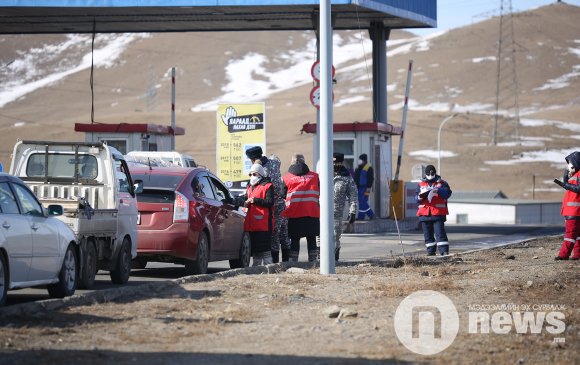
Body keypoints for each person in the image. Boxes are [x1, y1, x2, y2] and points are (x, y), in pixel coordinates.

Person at [246, 146, 289, 262]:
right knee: (284, 234)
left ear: (252, 159)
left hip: (269, 206)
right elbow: (276, 159)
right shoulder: (274, 163)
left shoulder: (258, 170)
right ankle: (287, 261)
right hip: (280, 204)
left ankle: (274, 263)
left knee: (273, 235)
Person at [234, 163, 274, 266]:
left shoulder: (268, 186)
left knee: (265, 249)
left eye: (254, 174)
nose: (252, 176)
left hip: (264, 225)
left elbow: (270, 202)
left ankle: (268, 268)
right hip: (251, 224)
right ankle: (256, 269)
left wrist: (254, 200)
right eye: (250, 174)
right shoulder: (249, 187)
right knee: (255, 250)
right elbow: (245, 199)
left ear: (260, 174)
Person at [282, 153, 320, 262]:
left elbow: (282, 194)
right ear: (304, 162)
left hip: (294, 214)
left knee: (294, 239)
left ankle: (293, 263)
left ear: (292, 162)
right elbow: (319, 191)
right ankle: (313, 263)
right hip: (312, 213)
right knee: (311, 238)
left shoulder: (287, 178)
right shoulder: (315, 176)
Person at [415, 164, 452, 256]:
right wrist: (419, 197)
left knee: (440, 233)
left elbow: (447, 193)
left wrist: (438, 190)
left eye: (432, 173)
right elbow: (416, 198)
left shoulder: (442, 183)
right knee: (427, 234)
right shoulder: (420, 184)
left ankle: (444, 251)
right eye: (429, 173)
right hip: (424, 213)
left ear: (435, 173)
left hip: (438, 213)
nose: (430, 175)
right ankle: (430, 251)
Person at [553, 151, 580, 260]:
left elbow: (578, 189)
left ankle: (563, 255)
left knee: (570, 235)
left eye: (570, 163)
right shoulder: (575, 175)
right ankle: (578, 254)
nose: (569, 165)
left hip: (574, 211)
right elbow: (568, 185)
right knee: (577, 235)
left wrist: (566, 184)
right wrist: (566, 175)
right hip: (574, 211)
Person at [333, 152, 358, 262]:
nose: (334, 165)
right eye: (333, 162)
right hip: (321, 212)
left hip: (336, 213)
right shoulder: (324, 173)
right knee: (320, 237)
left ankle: (334, 260)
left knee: (335, 237)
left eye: (336, 162)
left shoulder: (346, 177)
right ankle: (321, 261)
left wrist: (352, 212)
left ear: (341, 162)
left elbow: (353, 195)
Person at [354, 153, 375, 220]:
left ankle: (368, 215)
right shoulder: (358, 169)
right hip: (359, 188)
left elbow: (371, 178)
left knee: (363, 201)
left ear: (364, 160)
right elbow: (356, 178)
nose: (359, 161)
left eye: (360, 160)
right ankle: (364, 216)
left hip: (366, 188)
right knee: (361, 201)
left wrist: (369, 187)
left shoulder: (369, 168)